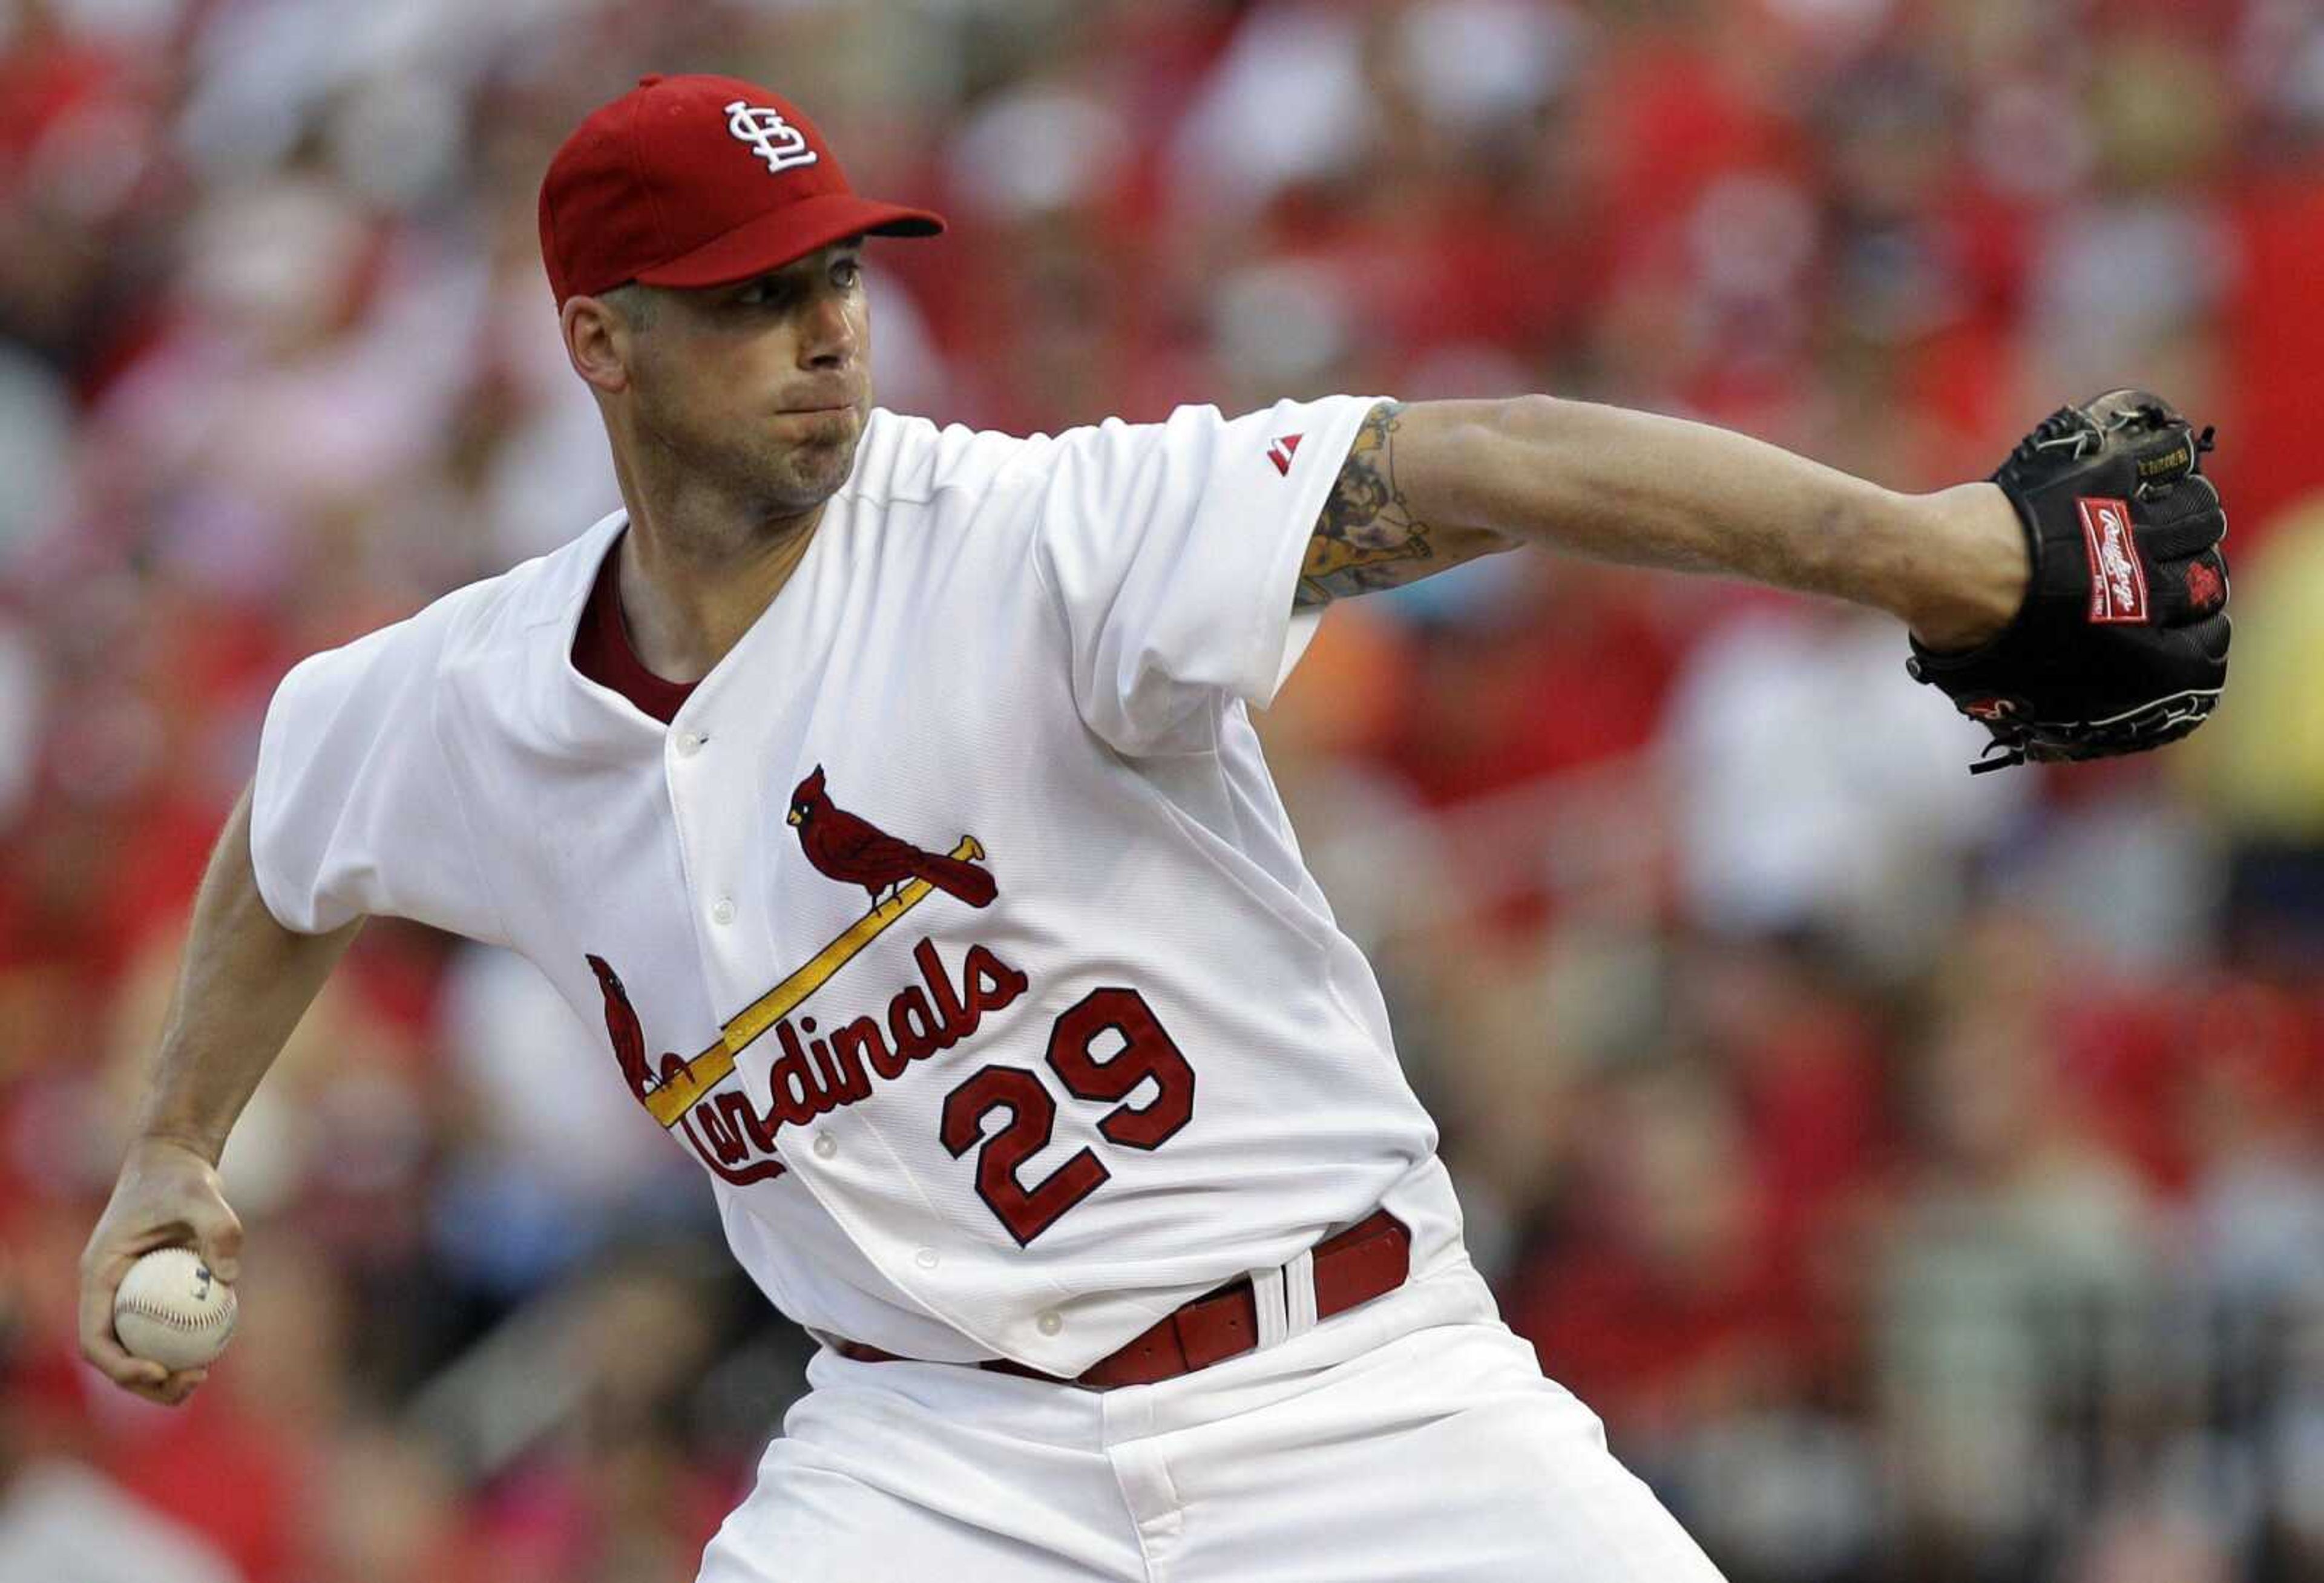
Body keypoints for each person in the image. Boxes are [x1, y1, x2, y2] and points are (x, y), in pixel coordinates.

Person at [76, 72, 2066, 1581]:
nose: (830, 332)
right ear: (602, 342)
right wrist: (177, 1138)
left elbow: (1475, 459)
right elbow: (285, 838)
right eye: (755, 299)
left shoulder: (1029, 536)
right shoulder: (474, 698)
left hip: (1351, 1383)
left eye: (839, 274)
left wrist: (1913, 549)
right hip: (933, 1462)